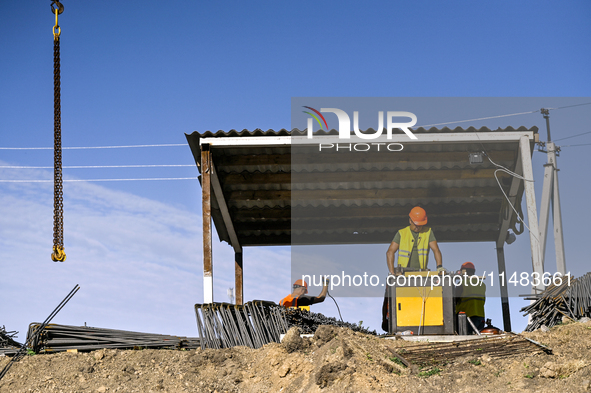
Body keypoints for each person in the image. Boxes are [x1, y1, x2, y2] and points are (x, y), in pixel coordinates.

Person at [386, 206, 443, 274]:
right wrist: (392, 272)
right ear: (410, 221)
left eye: (420, 225)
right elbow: (390, 252)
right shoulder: (401, 233)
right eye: (416, 224)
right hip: (403, 273)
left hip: (421, 272)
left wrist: (439, 267)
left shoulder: (428, 232)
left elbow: (436, 250)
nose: (418, 227)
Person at [455, 262, 486, 334]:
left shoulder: (462, 283)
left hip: (466, 317)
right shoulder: (482, 284)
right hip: (480, 317)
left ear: (464, 271)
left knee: (466, 339)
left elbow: (454, 300)